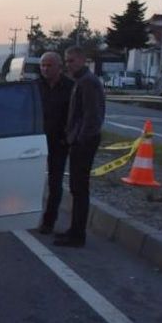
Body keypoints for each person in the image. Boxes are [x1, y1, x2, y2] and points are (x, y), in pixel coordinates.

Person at [56, 46, 105, 247]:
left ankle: (77, 235)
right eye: (66, 61)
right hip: (79, 140)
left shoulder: (88, 83)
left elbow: (92, 116)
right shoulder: (81, 81)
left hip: (84, 143)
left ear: (82, 60)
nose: (68, 65)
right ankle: (74, 230)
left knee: (80, 188)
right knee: (76, 189)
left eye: (72, 61)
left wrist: (79, 139)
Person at [36, 52, 74, 235]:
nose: (45, 69)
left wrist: (68, 137)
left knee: (55, 182)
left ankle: (49, 221)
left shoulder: (70, 88)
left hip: (59, 143)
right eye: (43, 65)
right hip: (35, 142)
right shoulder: (35, 86)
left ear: (59, 67)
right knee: (31, 180)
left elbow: (76, 115)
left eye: (49, 65)